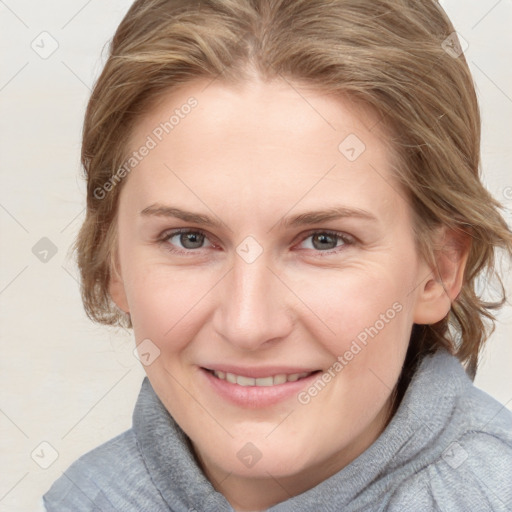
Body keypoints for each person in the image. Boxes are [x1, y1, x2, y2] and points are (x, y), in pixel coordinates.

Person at [43, 0, 512, 510]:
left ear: (439, 269)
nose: (248, 324)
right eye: (190, 238)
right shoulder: (82, 497)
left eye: (324, 240)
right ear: (113, 261)